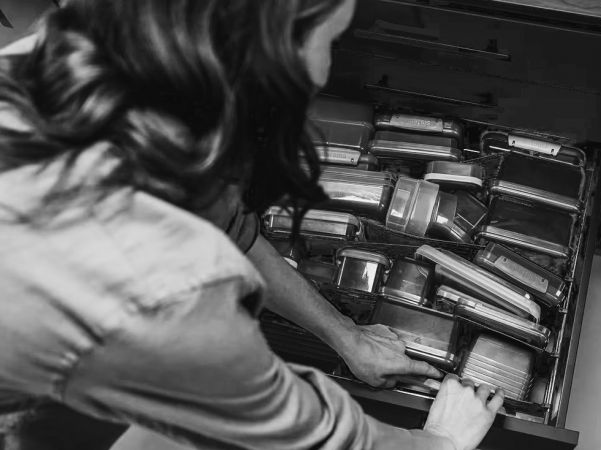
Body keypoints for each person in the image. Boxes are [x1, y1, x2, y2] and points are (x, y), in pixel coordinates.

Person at [0, 1, 504, 449]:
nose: (324, 70)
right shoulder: (163, 290)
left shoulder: (57, 59)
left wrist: (345, 334)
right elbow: (297, 433)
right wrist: (441, 441)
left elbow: (228, 228)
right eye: (329, 40)